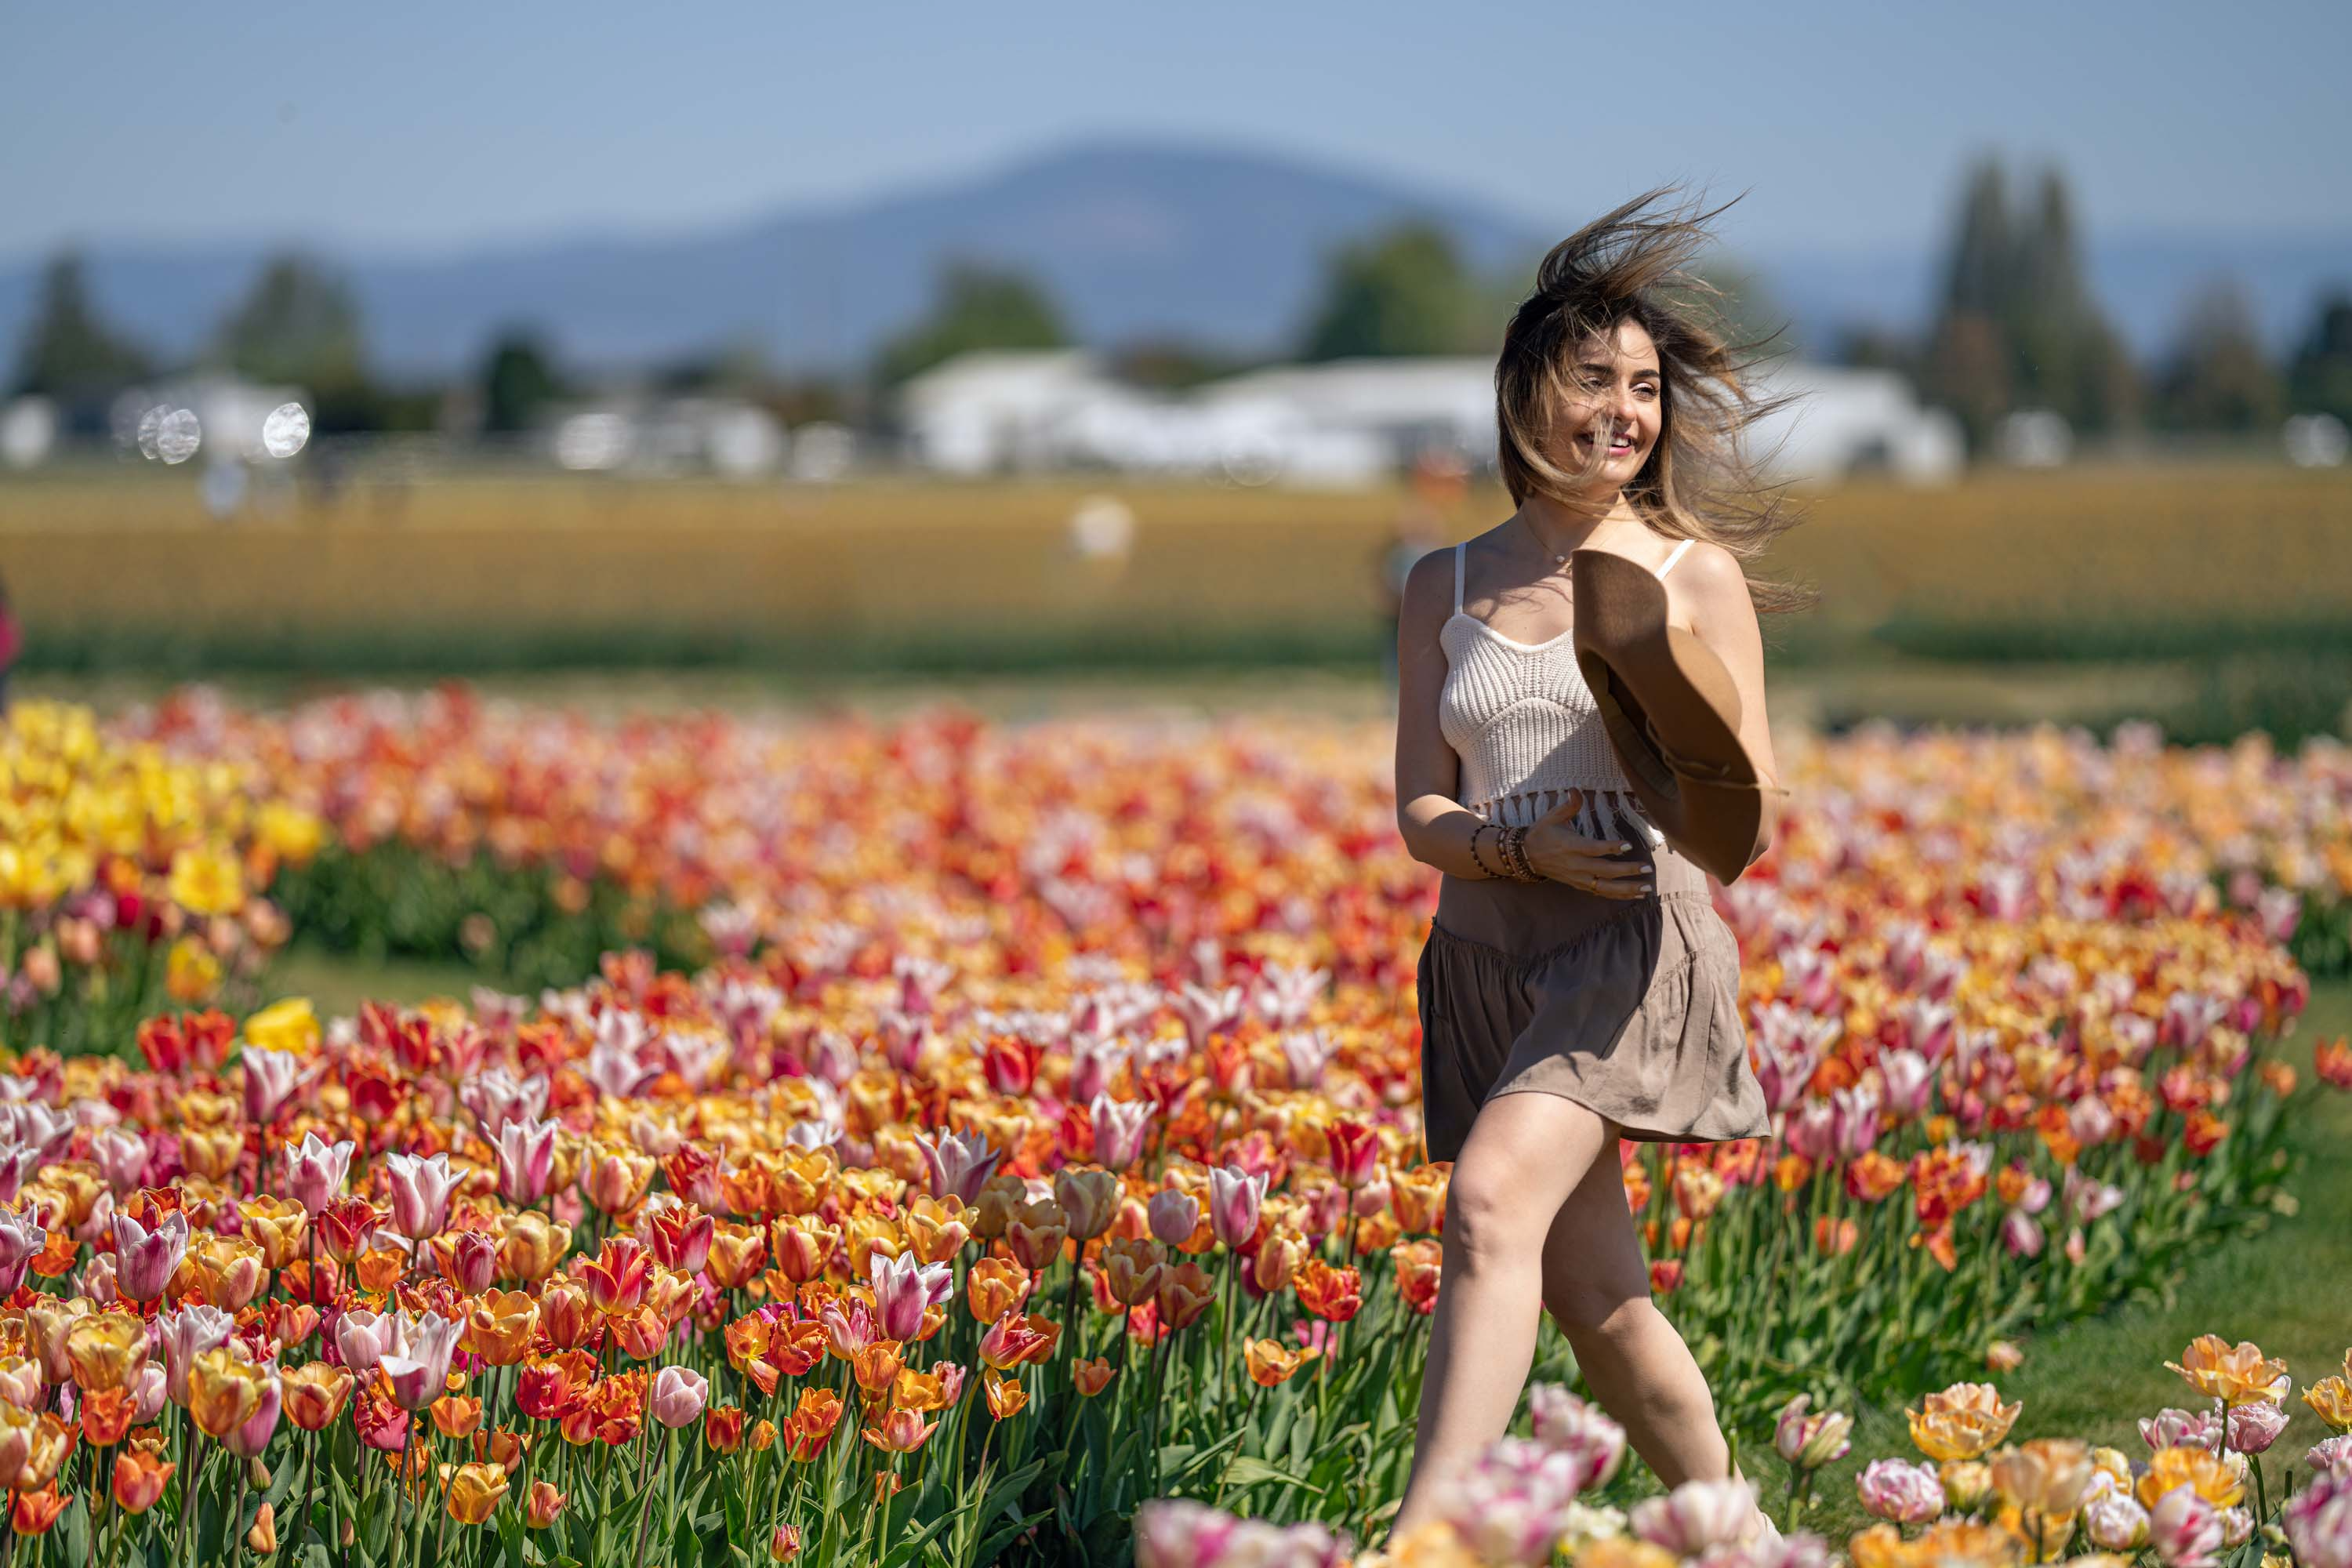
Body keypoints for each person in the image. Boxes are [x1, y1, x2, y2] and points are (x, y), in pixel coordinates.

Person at [1386, 187, 1810, 1541]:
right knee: (1602, 1304)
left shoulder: (1688, 576)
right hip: (1483, 955)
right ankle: (1737, 1530)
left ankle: (1430, 1536)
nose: (1627, 412)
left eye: (1644, 389)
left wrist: (1651, 715)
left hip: (1625, 951)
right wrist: (1515, 847)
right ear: (1526, 397)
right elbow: (1418, 810)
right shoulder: (1441, 586)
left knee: (1487, 1200)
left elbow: (1740, 814)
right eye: (1595, 383)